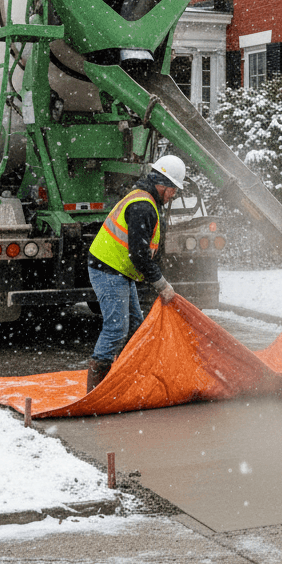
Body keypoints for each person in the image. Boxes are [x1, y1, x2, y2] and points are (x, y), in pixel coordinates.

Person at [84, 155, 186, 391]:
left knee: (135, 327)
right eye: (173, 190)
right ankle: (96, 390)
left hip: (119, 269)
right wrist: (161, 284)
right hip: (108, 269)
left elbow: (146, 250)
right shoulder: (143, 206)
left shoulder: (145, 198)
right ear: (162, 184)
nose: (173, 195)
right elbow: (139, 255)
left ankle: (128, 377)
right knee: (117, 327)